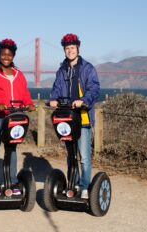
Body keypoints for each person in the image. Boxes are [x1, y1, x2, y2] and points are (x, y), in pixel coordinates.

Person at [49, 33, 100, 199]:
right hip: (67, 117)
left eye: (72, 47)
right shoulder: (62, 70)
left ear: (78, 48)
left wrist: (84, 100)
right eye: (67, 48)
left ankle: (85, 186)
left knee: (84, 155)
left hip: (82, 117)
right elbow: (56, 88)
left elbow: (94, 88)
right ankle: (74, 183)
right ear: (64, 50)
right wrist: (53, 100)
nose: (70, 51)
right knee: (71, 155)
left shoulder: (87, 68)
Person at [0, 38, 35, 197]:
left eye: (9, 55)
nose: (6, 57)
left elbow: (24, 93)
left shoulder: (19, 74)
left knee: (12, 148)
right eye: (3, 54)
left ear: (13, 55)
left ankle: (12, 182)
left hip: (14, 116)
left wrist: (29, 104)